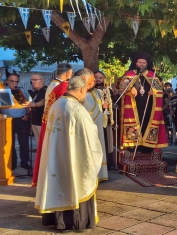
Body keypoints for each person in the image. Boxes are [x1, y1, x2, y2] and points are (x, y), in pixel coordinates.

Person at [35, 76, 103, 233]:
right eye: (85, 91)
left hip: (57, 154)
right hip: (72, 156)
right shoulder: (76, 109)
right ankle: (74, 223)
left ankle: (58, 221)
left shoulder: (58, 103)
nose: (85, 94)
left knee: (59, 184)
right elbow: (89, 135)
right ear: (81, 90)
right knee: (75, 183)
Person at [32, 63, 72, 187]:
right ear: (67, 73)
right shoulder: (61, 86)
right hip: (54, 122)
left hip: (48, 120)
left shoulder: (52, 84)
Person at [119, 52, 168, 152]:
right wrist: (130, 89)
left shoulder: (152, 75)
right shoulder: (129, 74)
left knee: (146, 125)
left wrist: (154, 92)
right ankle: (133, 147)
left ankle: (147, 147)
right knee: (135, 126)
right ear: (136, 63)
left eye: (144, 62)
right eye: (140, 62)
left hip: (149, 107)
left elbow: (160, 91)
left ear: (147, 64)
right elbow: (122, 88)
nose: (141, 64)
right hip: (134, 107)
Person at [74, 68, 108, 181]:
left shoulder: (97, 92)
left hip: (97, 128)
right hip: (86, 129)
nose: (95, 82)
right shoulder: (78, 95)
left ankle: (100, 174)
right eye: (93, 80)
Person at [0, 73, 32, 170]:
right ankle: (12, 163)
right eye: (12, 81)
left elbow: (29, 104)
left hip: (22, 120)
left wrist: (28, 115)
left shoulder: (22, 91)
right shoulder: (2, 92)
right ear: (7, 81)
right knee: (10, 143)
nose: (14, 83)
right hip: (8, 121)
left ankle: (25, 162)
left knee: (24, 143)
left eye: (16, 81)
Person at [94, 70, 116, 170]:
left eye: (100, 78)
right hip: (95, 120)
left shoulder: (108, 90)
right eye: (96, 77)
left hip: (106, 119)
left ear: (103, 79)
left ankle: (108, 163)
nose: (98, 79)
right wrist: (101, 106)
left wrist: (114, 120)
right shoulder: (90, 91)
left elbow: (114, 105)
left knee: (107, 141)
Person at [22, 73, 47, 144]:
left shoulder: (45, 90)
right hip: (34, 121)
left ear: (42, 80)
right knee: (39, 144)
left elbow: (44, 101)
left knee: (43, 144)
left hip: (41, 122)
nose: (33, 82)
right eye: (32, 80)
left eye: (35, 80)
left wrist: (33, 104)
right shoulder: (37, 91)